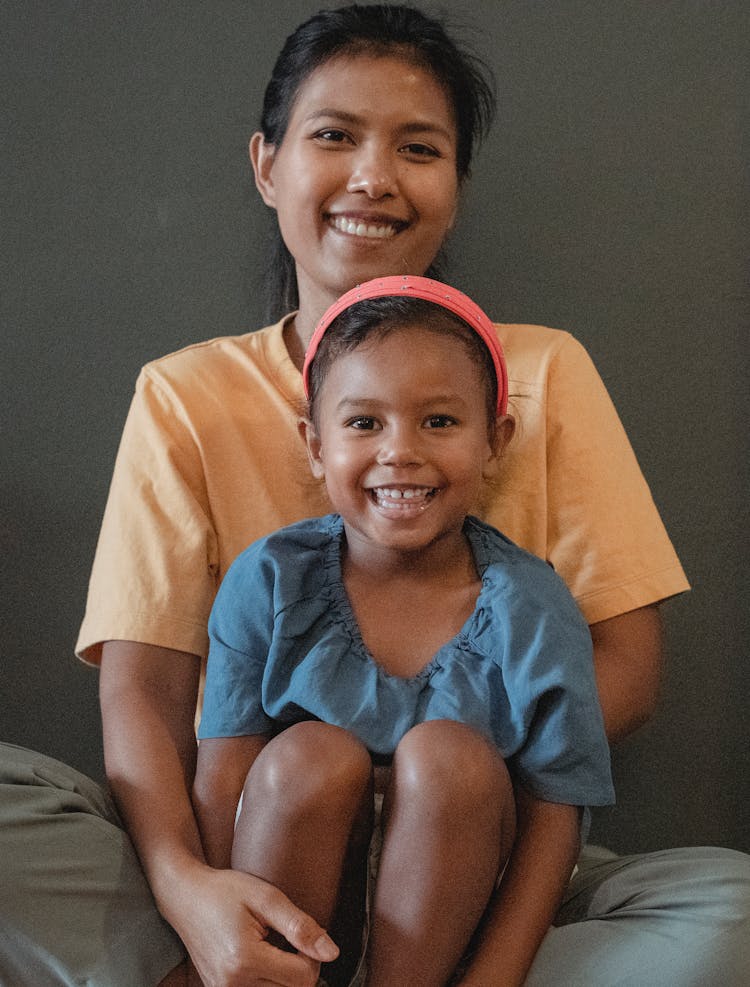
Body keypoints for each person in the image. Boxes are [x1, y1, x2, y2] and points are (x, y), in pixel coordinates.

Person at [0, 4, 747, 987]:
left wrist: (434, 774)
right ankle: (238, 956)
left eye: (419, 147)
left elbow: (625, 669)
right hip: (244, 835)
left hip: (484, 835)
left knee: (730, 912)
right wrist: (190, 889)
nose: (372, 177)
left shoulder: (544, 375)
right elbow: (145, 687)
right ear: (268, 165)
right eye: (334, 136)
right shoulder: (187, 397)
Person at [192, 274, 617, 987]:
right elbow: (222, 779)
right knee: (310, 757)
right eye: (364, 423)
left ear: (494, 440)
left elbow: (554, 821)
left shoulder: (532, 606)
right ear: (315, 444)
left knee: (448, 755)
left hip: (455, 903)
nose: (401, 451)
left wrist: (496, 976)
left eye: (440, 422)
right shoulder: (268, 581)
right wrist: (212, 930)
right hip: (298, 887)